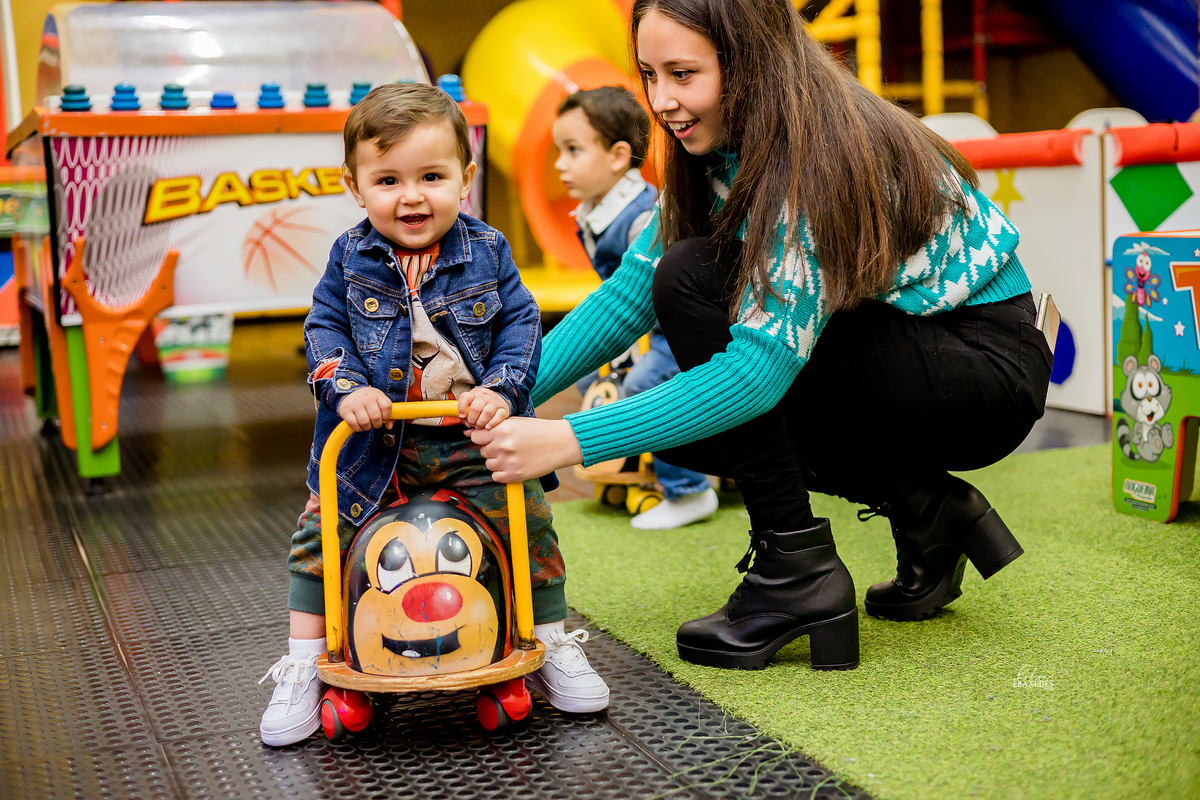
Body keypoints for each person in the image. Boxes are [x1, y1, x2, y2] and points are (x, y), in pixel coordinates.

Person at [468, 0, 1052, 672]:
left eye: (683, 74)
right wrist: (504, 388)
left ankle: (796, 570)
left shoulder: (811, 154)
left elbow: (754, 375)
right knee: (686, 281)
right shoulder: (719, 144)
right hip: (899, 345)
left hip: (980, 368)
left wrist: (564, 440)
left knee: (703, 333)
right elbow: (630, 293)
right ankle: (925, 507)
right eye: (650, 75)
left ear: (748, 64)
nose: (662, 101)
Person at [258, 83, 609, 747]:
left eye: (431, 176)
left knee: (527, 520)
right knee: (318, 533)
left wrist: (502, 391)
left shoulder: (488, 251)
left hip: (468, 435)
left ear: (465, 179)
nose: (411, 196)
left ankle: (556, 641)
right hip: (374, 441)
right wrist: (348, 389)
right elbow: (323, 330)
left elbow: (522, 325)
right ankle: (304, 661)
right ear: (356, 186)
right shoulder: (349, 256)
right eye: (387, 180)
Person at [552, 86, 718, 529]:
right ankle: (625, 467)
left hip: (673, 328)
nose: (559, 164)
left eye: (572, 150)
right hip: (640, 328)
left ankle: (688, 490)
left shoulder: (641, 217)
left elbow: (654, 297)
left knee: (645, 382)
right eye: (558, 150)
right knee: (589, 374)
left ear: (617, 155)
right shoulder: (596, 210)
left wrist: (637, 355)